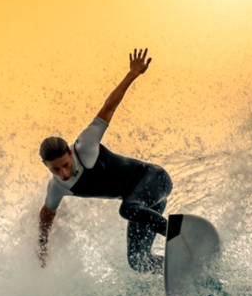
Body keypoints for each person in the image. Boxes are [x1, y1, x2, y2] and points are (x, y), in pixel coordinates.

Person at [38, 48, 173, 273]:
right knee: (138, 261)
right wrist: (42, 248)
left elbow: (108, 107)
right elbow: (46, 215)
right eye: (56, 169)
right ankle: (178, 266)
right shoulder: (57, 187)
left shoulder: (86, 145)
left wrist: (132, 74)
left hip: (155, 179)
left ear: (70, 154)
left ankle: (180, 236)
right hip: (144, 205)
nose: (63, 173)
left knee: (126, 209)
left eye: (65, 165)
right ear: (46, 167)